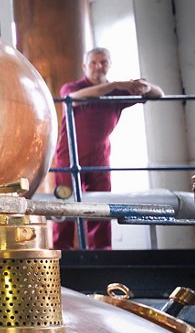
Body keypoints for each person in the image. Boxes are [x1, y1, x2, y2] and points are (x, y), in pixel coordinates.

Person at [51, 46, 164, 249]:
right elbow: (74, 99)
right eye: (93, 63)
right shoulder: (73, 87)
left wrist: (143, 86)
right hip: (68, 159)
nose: (98, 67)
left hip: (100, 159)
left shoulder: (116, 92)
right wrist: (117, 85)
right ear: (84, 66)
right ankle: (62, 254)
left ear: (109, 65)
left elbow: (159, 94)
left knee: (101, 209)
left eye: (103, 62)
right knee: (64, 206)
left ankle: (103, 252)